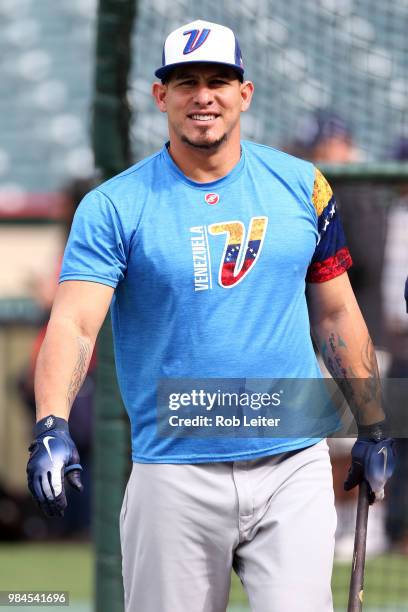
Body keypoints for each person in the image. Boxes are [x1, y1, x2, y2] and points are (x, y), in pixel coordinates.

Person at [26, 20, 395, 612]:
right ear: (160, 96)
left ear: (244, 94)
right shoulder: (113, 204)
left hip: (290, 464)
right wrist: (51, 424)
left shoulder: (305, 187)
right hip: (173, 469)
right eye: (186, 82)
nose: (204, 96)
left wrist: (373, 424)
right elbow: (74, 324)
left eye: (219, 81)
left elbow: (336, 312)